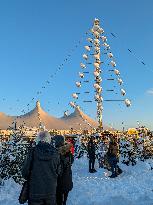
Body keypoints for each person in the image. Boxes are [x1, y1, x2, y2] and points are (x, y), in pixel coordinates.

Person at [22, 131, 61, 205]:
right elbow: (59, 172)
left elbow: (25, 173)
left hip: (35, 191)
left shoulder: (32, 151)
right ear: (49, 139)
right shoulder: (56, 153)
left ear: (38, 139)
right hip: (50, 191)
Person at [53, 135, 73, 205]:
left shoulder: (56, 153)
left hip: (59, 183)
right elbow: (71, 162)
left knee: (58, 201)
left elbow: (58, 170)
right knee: (64, 201)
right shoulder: (68, 152)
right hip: (67, 180)